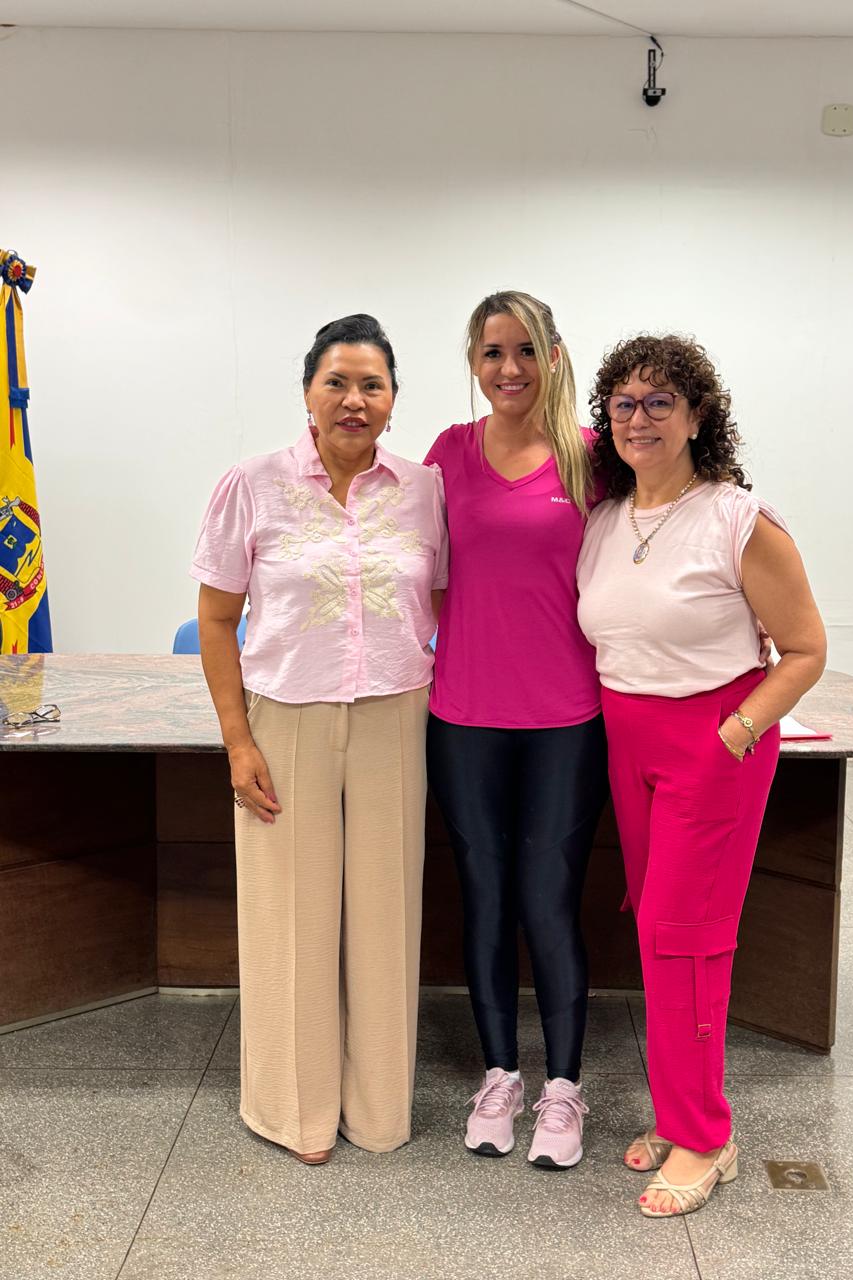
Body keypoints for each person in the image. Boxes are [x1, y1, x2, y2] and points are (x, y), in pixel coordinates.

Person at [576, 334, 826, 1216]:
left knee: (687, 935)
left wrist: (733, 736)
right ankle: (680, 1112)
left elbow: (805, 650)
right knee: (658, 930)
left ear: (697, 416)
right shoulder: (606, 520)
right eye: (624, 404)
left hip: (713, 742)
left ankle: (707, 1136)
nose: (639, 418)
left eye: (660, 402)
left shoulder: (738, 520)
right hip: (627, 740)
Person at [190, 314, 448, 1164]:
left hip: (393, 717)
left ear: (393, 400)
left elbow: (439, 602)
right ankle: (294, 1112)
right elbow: (217, 620)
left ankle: (377, 1110)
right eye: (336, 381)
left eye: (372, 384)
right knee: (289, 916)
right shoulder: (252, 483)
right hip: (285, 721)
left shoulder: (425, 490)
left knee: (384, 916)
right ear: (308, 392)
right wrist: (237, 741)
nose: (353, 400)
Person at [425, 291, 609, 1170]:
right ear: (473, 362)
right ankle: (500, 1075)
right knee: (488, 899)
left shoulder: (593, 457)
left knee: (548, 901)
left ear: (555, 356)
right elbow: (415, 569)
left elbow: (665, 531)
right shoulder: (448, 454)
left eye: (526, 350)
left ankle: (563, 1089)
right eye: (493, 352)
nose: (510, 368)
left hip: (567, 720)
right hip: (463, 716)